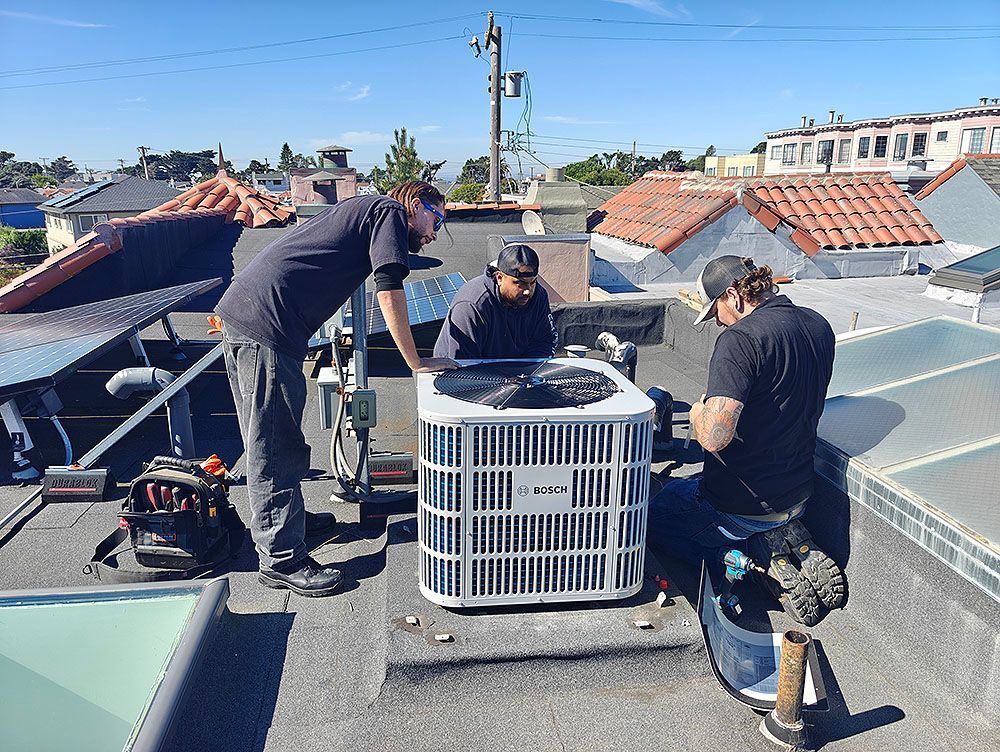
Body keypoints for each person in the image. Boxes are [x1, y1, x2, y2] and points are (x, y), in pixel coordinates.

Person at [216, 181, 456, 597]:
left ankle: (289, 523)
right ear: (415, 205)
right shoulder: (389, 214)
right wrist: (416, 362)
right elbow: (389, 289)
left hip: (258, 320)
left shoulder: (366, 211)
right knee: (272, 445)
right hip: (266, 327)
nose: (434, 233)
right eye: (436, 219)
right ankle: (280, 558)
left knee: (278, 437)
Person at [649, 255, 844, 619]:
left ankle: (757, 561)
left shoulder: (740, 340)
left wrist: (696, 412)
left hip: (738, 506)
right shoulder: (819, 325)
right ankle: (786, 534)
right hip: (799, 493)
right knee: (681, 487)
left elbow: (713, 437)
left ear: (734, 297)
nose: (718, 323)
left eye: (716, 312)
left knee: (651, 518)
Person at [433, 243, 558, 359]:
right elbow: (463, 363)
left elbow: (544, 341)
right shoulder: (472, 305)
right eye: (520, 283)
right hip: (457, 372)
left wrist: (529, 374)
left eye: (533, 282)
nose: (528, 291)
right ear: (499, 278)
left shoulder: (538, 295)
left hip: (513, 373)